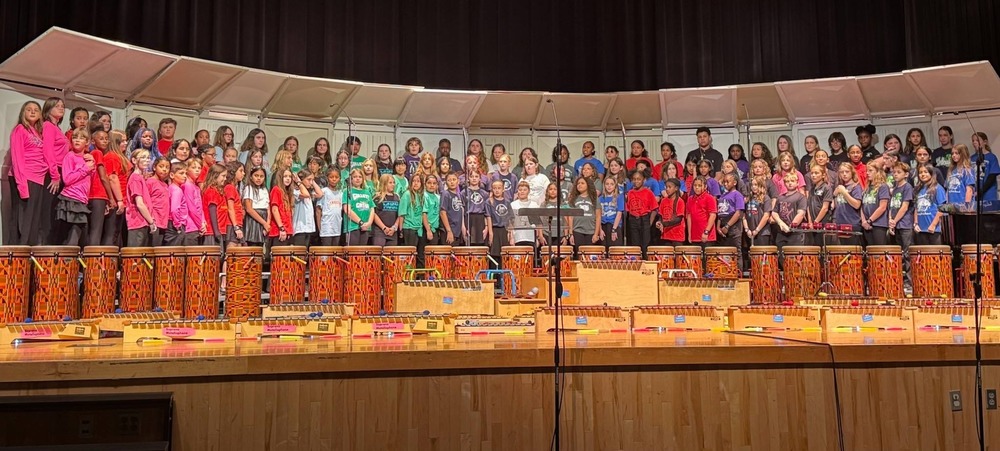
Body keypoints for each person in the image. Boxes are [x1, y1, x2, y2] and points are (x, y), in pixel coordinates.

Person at [57, 129, 95, 246]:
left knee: (82, 238)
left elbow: (90, 180)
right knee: (72, 237)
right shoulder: (70, 156)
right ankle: (67, 262)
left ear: (87, 142)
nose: (77, 140)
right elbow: (67, 179)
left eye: (81, 138)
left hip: (82, 200)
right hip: (71, 199)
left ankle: (74, 261)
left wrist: (91, 164)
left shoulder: (87, 159)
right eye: (75, 137)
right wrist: (85, 169)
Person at [887, 162, 914, 292]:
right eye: (894, 172)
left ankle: (910, 281)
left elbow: (904, 207)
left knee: (907, 253)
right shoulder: (894, 188)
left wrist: (895, 221)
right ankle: (902, 279)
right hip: (896, 224)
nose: (895, 174)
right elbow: (891, 206)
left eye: (898, 172)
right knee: (900, 254)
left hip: (905, 224)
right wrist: (890, 221)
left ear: (906, 174)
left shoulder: (907, 187)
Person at [124, 149, 157, 247]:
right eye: (143, 157)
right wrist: (151, 221)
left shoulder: (140, 178)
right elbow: (140, 204)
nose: (147, 160)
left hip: (143, 222)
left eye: (148, 158)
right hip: (138, 222)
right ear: (134, 160)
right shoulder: (135, 178)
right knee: (136, 256)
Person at [772, 172, 807, 249]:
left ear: (797, 183)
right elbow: (774, 212)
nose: (790, 183)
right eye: (787, 181)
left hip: (795, 233)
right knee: (781, 257)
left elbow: (800, 214)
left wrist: (791, 227)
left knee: (793, 257)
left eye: (792, 181)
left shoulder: (801, 197)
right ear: (784, 183)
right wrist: (781, 223)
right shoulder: (780, 197)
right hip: (781, 233)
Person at [913, 163, 946, 245]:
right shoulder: (918, 189)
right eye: (920, 172)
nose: (923, 174)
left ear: (931, 173)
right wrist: (916, 223)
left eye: (925, 172)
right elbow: (916, 208)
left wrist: (933, 225)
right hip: (921, 229)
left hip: (934, 229)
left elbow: (942, 209)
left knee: (934, 255)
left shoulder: (938, 188)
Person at [567, 176, 600, 257]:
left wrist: (596, 234)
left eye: (582, 183)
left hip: (591, 231)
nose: (579, 185)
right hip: (577, 230)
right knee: (579, 255)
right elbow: (570, 217)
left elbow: (598, 217)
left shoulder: (594, 199)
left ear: (588, 185)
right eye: (578, 183)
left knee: (589, 256)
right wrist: (571, 234)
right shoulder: (573, 199)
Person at [860, 161, 890, 246]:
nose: (867, 173)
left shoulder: (883, 187)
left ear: (877, 172)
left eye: (870, 171)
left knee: (878, 252)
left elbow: (882, 207)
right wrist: (864, 221)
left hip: (879, 224)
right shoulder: (867, 188)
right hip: (866, 225)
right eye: (867, 171)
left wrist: (870, 220)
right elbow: (862, 206)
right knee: (870, 252)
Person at [833, 163, 863, 245]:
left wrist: (844, 193)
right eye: (842, 172)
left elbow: (857, 205)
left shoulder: (856, 187)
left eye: (847, 172)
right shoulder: (841, 187)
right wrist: (834, 195)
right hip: (840, 223)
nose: (844, 174)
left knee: (852, 251)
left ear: (852, 173)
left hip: (852, 223)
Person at [291, 169, 323, 246]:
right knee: (300, 252)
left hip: (308, 228)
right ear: (301, 179)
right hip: (300, 228)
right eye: (308, 180)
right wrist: (299, 182)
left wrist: (312, 180)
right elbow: (306, 195)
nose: (311, 182)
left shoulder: (310, 191)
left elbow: (320, 194)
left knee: (305, 253)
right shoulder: (296, 191)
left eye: (312, 180)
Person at [343, 168, 375, 245]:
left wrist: (369, 223)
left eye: (360, 177)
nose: (358, 179)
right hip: (353, 227)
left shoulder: (367, 192)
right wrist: (360, 222)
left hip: (366, 227)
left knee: (362, 253)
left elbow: (372, 209)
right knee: (353, 252)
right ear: (351, 179)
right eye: (355, 177)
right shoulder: (347, 191)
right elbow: (347, 209)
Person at [241, 166, 270, 247]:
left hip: (263, 219)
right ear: (251, 176)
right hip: (253, 219)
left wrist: (267, 223)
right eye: (256, 175)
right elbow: (249, 209)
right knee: (253, 246)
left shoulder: (265, 189)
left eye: (261, 176)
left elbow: (268, 208)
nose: (259, 178)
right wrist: (264, 223)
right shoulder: (249, 188)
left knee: (260, 247)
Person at [399, 174, 426, 259]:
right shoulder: (407, 195)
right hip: (409, 228)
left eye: (418, 181)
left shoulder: (422, 195)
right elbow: (401, 214)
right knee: (410, 255)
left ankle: (419, 272)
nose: (416, 183)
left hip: (419, 228)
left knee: (420, 255)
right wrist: (401, 230)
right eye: (414, 181)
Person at [685, 176, 717, 248]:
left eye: (699, 185)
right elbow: (689, 216)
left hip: (707, 236)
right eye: (695, 185)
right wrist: (689, 234)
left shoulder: (710, 198)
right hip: (695, 236)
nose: (697, 187)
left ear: (705, 187)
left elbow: (713, 215)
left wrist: (706, 232)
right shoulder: (690, 199)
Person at [201, 164, 229, 247]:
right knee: (213, 258)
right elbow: (212, 211)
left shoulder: (218, 191)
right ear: (215, 176)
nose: (225, 178)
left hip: (220, 230)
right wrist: (216, 231)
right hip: (212, 232)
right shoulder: (211, 191)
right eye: (223, 176)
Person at [486, 179, 513, 263]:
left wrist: (510, 234)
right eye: (494, 188)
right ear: (492, 189)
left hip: (504, 230)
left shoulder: (507, 202)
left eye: (499, 188)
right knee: (494, 255)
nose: (497, 190)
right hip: (495, 229)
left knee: (504, 255)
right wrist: (490, 233)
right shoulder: (489, 202)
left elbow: (510, 219)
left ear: (503, 189)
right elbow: (489, 217)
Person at [806, 164, 834, 245]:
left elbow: (825, 208)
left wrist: (816, 221)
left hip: (822, 222)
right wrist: (810, 221)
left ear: (823, 175)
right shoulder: (812, 189)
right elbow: (809, 206)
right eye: (812, 173)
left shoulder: (826, 188)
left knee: (823, 245)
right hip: (813, 223)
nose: (813, 175)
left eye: (816, 173)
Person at [715, 173, 744, 250]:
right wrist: (718, 227)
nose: (725, 184)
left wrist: (727, 226)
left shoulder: (737, 195)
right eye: (724, 182)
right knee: (724, 253)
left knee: (735, 252)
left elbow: (738, 213)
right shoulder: (722, 196)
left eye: (727, 182)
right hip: (722, 226)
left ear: (734, 183)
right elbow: (720, 213)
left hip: (733, 226)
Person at [370, 174, 400, 246]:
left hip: (393, 232)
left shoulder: (397, 197)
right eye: (390, 183)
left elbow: (400, 215)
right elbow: (374, 214)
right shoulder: (377, 197)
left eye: (393, 182)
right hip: (379, 231)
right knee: (378, 254)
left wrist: (394, 228)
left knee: (391, 256)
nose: (393, 184)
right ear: (384, 183)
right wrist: (384, 228)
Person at [146, 157, 171, 246]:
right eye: (161, 166)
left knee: (159, 249)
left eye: (167, 167)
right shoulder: (150, 182)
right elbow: (146, 201)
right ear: (154, 167)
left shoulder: (165, 184)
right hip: (154, 220)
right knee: (152, 248)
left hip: (163, 221)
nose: (164, 169)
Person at [268, 168, 296, 247]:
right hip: (278, 231)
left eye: (290, 176)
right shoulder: (276, 190)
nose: (288, 178)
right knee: (279, 258)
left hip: (288, 230)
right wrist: (281, 228)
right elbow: (274, 210)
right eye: (285, 176)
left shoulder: (287, 193)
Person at [743, 176, 773, 246]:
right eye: (752, 185)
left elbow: (766, 216)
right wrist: (746, 229)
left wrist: (757, 230)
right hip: (749, 232)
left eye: (756, 185)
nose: (753, 187)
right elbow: (743, 215)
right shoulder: (748, 199)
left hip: (762, 232)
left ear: (761, 185)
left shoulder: (766, 198)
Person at [656, 178, 686, 246]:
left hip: (677, 236)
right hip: (666, 235)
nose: (667, 189)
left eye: (669, 187)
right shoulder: (663, 201)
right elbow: (660, 215)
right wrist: (659, 222)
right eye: (666, 187)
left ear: (676, 188)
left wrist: (664, 224)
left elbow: (678, 219)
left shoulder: (680, 201)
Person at [165, 163, 189, 246]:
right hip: (175, 225)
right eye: (181, 173)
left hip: (172, 223)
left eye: (186, 173)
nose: (185, 176)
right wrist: (178, 225)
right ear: (172, 175)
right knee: (175, 252)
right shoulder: (176, 190)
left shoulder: (171, 187)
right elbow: (174, 209)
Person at [970, 132, 999, 201]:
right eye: (973, 140)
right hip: (975, 194)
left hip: (988, 194)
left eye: (977, 140)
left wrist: (981, 191)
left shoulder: (991, 157)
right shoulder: (971, 158)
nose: (974, 142)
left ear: (985, 142)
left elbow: (992, 177)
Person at [509, 181, 539, 246]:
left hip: (531, 238)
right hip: (518, 237)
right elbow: (511, 223)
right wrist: (511, 238)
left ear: (528, 191)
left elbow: (538, 223)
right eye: (520, 190)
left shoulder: (534, 205)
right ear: (517, 191)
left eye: (525, 190)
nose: (522, 192)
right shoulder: (513, 205)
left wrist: (537, 238)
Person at [440, 172, 466, 246]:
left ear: (458, 181)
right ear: (446, 182)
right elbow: (442, 212)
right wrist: (449, 231)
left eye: (454, 179)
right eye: (449, 180)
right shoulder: (445, 194)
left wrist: (463, 228)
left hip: (457, 231)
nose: (452, 182)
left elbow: (461, 211)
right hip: (448, 230)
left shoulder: (459, 195)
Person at [223, 162, 245, 247]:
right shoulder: (230, 187)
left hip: (238, 223)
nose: (243, 173)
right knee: (231, 253)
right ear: (233, 172)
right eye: (241, 171)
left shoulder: (234, 188)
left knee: (238, 255)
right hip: (232, 224)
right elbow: (230, 208)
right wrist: (236, 227)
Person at [598, 177, 625, 247]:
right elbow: (598, 216)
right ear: (604, 185)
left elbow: (619, 214)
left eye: (612, 184)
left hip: (614, 226)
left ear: (615, 186)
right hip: (603, 226)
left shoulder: (619, 197)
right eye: (607, 184)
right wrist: (600, 230)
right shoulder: (600, 198)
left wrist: (614, 230)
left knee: (614, 250)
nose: (609, 186)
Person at [464, 170, 489, 246]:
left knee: (481, 245)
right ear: (468, 178)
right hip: (469, 219)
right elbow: (462, 212)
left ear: (480, 179)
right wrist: (464, 227)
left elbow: (486, 212)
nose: (474, 178)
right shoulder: (464, 192)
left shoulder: (484, 194)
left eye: (476, 176)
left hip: (480, 220)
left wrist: (486, 227)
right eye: (471, 177)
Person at [422, 174, 443, 245]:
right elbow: (424, 214)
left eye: (434, 183)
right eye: (429, 183)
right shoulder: (424, 196)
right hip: (426, 229)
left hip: (435, 229)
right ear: (425, 185)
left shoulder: (438, 197)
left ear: (437, 185)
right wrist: (428, 230)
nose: (432, 185)